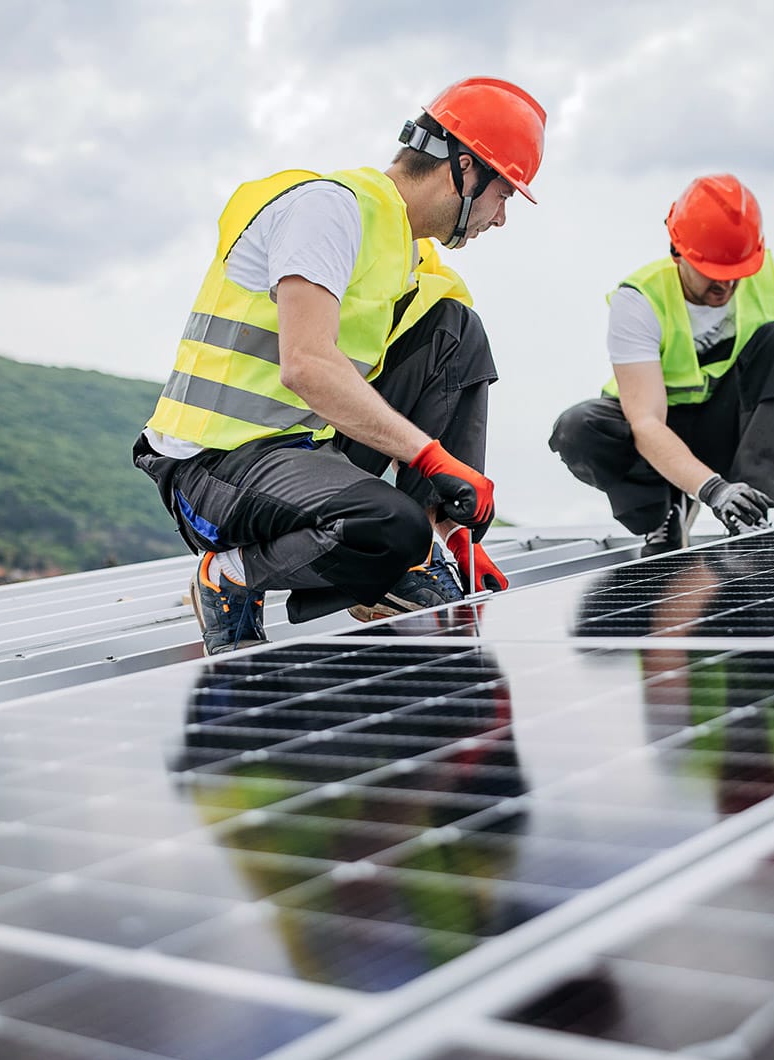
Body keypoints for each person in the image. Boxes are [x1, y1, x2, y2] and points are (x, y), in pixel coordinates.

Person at [135, 78, 546, 653]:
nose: (501, 217)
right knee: (389, 529)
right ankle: (230, 577)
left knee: (457, 329)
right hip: (215, 467)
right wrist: (431, 456)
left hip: (302, 452)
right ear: (464, 169)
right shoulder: (328, 210)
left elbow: (449, 372)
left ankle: (417, 551)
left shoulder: (407, 256)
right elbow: (305, 365)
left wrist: (453, 534)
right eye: (504, 193)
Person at [549, 174, 774, 555]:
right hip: (658, 434)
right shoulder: (640, 301)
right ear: (678, 251)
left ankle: (749, 509)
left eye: (735, 275)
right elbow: (645, 421)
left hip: (729, 427)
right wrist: (713, 490)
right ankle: (662, 511)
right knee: (578, 429)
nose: (725, 287)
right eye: (713, 274)